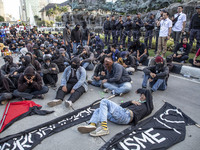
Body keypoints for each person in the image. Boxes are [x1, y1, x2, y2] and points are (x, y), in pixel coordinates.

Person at [77, 88, 153, 137]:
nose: (140, 97)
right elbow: (122, 105)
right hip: (120, 117)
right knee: (98, 110)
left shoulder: (144, 107)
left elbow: (133, 116)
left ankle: (104, 128)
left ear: (147, 97)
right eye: (141, 95)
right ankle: (92, 124)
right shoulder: (138, 103)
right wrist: (131, 102)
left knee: (104, 101)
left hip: (125, 116)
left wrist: (129, 110)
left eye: (142, 96)